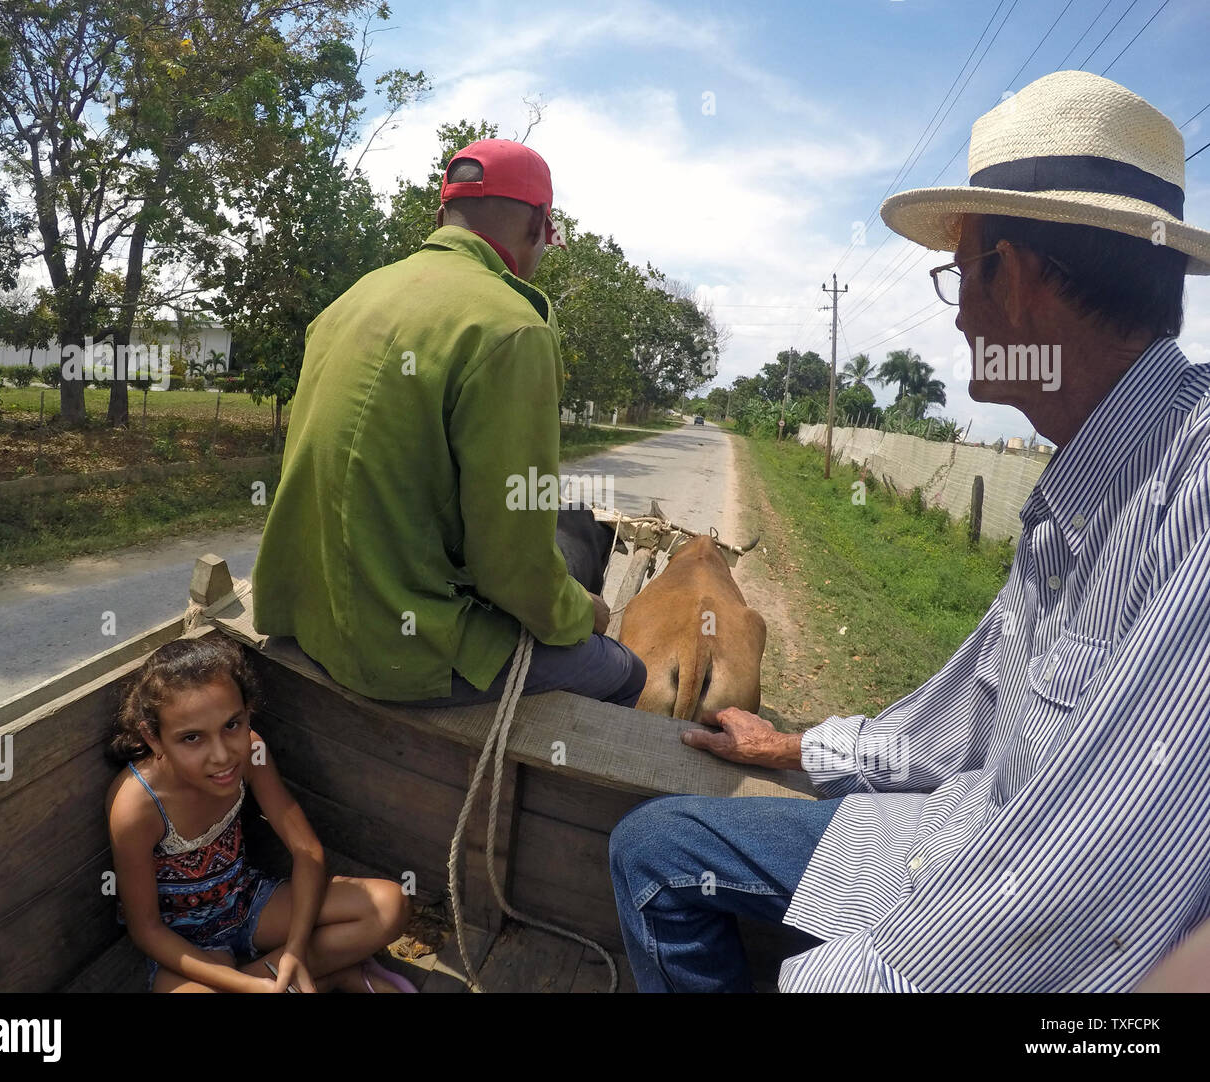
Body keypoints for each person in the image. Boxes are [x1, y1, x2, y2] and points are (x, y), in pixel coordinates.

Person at [609, 69, 1210, 992]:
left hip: (1015, 914)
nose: (961, 313)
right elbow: (972, 714)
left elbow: (1084, 889)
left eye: (958, 271)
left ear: (1011, 276)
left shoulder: (1191, 484)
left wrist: (837, 978)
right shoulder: (1082, 478)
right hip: (950, 833)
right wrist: (801, 747)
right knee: (655, 848)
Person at [251, 138, 645, 710]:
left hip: (304, 618)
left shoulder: (350, 299)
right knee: (625, 670)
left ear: (441, 216)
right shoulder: (514, 329)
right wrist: (586, 612)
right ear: (539, 226)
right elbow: (511, 567)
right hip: (402, 652)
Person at [105, 635, 416, 993]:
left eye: (232, 725)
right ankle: (330, 975)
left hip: (249, 902)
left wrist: (296, 951)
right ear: (154, 738)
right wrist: (247, 986)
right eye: (192, 738)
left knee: (389, 905)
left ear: (247, 711)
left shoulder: (251, 752)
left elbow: (307, 851)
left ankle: (295, 975)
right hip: (185, 945)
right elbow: (147, 930)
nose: (221, 755)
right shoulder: (136, 806)